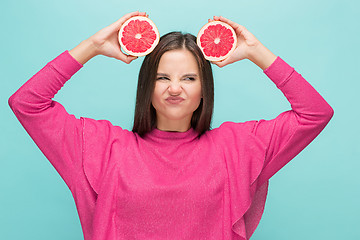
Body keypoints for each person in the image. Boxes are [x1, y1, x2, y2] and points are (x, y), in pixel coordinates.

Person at [8, 11, 333, 240]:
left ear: (204, 88)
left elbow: (315, 114)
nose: (174, 88)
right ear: (147, 86)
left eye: (188, 78)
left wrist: (256, 52)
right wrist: (91, 47)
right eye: (162, 77)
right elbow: (26, 103)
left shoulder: (237, 145)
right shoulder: (102, 146)